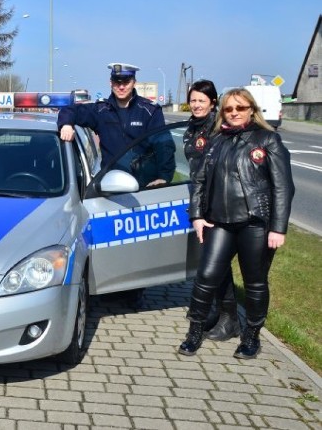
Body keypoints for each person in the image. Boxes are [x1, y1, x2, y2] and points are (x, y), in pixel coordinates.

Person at [180, 88, 295, 359]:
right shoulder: (216, 141)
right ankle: (195, 331)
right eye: (229, 109)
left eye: (240, 108)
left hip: (255, 224)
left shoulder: (268, 140)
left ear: (251, 110)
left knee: (255, 282)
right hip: (219, 222)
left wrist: (278, 228)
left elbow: (283, 188)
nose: (234, 113)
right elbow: (199, 181)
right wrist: (197, 216)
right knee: (206, 277)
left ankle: (251, 337)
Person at [183, 79, 240, 341]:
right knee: (214, 261)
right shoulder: (192, 127)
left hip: (219, 203)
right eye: (193, 100)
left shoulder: (221, 128)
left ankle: (230, 319)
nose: (196, 105)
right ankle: (218, 312)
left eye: (201, 101)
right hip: (202, 200)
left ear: (213, 102)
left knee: (217, 262)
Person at [59, 62, 174, 188]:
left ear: (134, 82)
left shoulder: (149, 111)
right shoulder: (101, 110)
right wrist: (66, 124)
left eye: (126, 82)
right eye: (117, 82)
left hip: (144, 186)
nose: (121, 87)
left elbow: (164, 146)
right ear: (110, 83)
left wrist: (164, 177)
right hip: (112, 186)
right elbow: (70, 110)